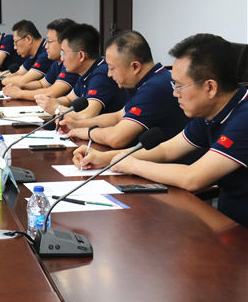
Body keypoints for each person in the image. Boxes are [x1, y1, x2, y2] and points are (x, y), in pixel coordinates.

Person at [73, 34, 248, 226]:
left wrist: (133, 165)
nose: (174, 93)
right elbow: (167, 150)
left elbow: (193, 177)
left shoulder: (244, 118)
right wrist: (104, 158)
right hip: (227, 221)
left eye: (180, 86)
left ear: (210, 87)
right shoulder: (210, 112)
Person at [62, 30, 189, 148]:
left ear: (135, 67)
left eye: (112, 68)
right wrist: (77, 124)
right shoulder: (153, 79)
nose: (109, 74)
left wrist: (86, 132)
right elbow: (118, 116)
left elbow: (116, 138)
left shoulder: (155, 88)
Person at [35, 23, 126, 119]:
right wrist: (50, 102)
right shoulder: (86, 71)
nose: (62, 58)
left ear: (81, 56)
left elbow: (87, 115)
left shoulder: (102, 74)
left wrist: (56, 108)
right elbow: (69, 99)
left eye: (64, 53)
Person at [3, 18, 78, 100]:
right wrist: (20, 86)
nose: (46, 46)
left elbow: (52, 92)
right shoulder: (57, 62)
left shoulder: (73, 63)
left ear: (65, 43)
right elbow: (42, 84)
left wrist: (19, 93)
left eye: (49, 41)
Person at [2, 20, 54, 88]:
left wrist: (0, 80)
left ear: (28, 39)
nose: (15, 47)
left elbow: (23, 80)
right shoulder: (33, 54)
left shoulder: (46, 53)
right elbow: (18, 73)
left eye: (16, 42)